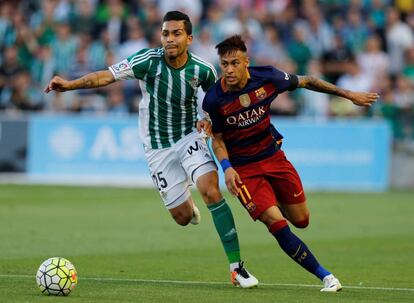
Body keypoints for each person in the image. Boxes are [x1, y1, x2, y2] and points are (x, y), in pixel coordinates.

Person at [44, 12, 257, 288]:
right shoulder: (147, 61)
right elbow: (106, 76)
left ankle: (236, 268)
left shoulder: (203, 70)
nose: (169, 39)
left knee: (211, 190)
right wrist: (70, 85)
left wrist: (209, 120)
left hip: (189, 136)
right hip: (157, 146)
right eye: (166, 33)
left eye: (176, 33)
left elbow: (216, 102)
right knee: (181, 218)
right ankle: (187, 203)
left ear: (189, 38)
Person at [202, 35, 379, 292]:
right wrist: (227, 168)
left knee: (301, 220)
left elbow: (308, 81)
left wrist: (348, 94)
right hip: (244, 172)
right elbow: (217, 139)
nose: (229, 69)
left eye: (234, 63)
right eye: (224, 64)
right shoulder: (214, 99)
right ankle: (326, 276)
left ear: (246, 62)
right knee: (277, 224)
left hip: (274, 158)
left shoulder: (267, 77)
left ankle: (273, 202)